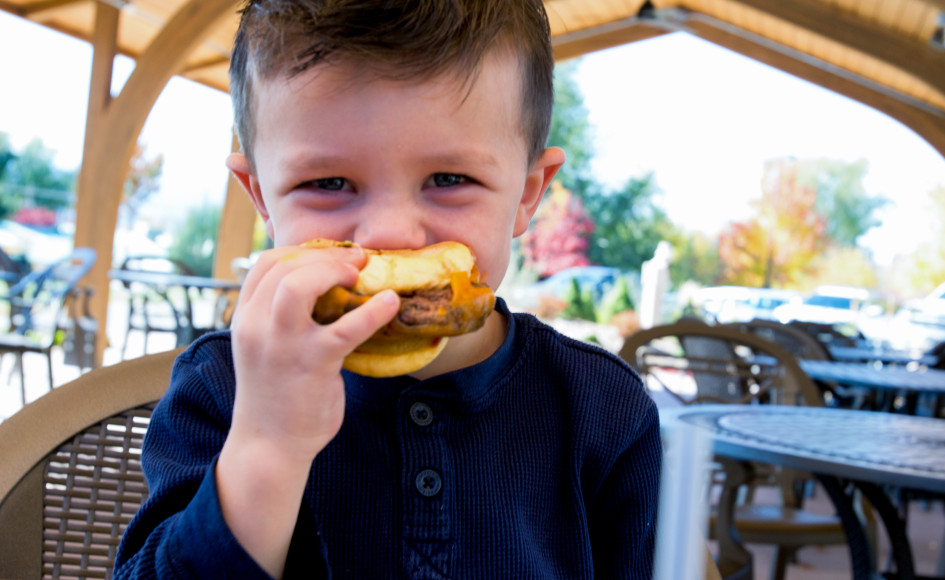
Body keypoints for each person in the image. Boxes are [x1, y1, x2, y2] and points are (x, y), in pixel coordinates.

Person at [113, 1, 661, 578]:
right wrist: (266, 447)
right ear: (262, 199)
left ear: (527, 194)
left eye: (449, 180)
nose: (391, 233)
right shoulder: (224, 388)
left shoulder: (605, 410)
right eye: (327, 183)